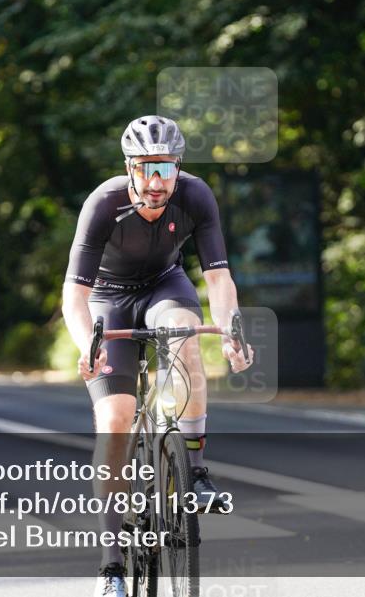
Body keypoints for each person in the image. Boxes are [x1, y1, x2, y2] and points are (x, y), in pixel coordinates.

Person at [62, 115, 254, 596]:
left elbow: (217, 279)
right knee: (116, 418)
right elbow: (74, 295)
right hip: (107, 297)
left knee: (185, 338)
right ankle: (111, 566)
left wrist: (230, 329)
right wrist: (88, 342)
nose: (156, 183)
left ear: (178, 169)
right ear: (129, 168)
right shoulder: (103, 204)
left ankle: (196, 470)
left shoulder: (195, 195)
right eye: (147, 169)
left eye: (166, 170)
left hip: (164, 287)